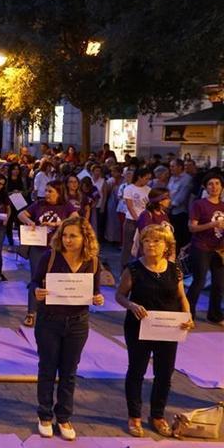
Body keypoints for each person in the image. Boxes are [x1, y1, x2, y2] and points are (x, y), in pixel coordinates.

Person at [115, 224, 194, 437]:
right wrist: (131, 305)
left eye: (156, 241)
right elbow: (120, 295)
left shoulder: (174, 269)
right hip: (138, 327)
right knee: (137, 371)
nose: (150, 244)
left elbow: (181, 297)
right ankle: (134, 416)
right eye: (147, 241)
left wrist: (188, 317)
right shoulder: (133, 268)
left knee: (164, 374)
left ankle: (157, 415)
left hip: (168, 329)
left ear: (166, 246)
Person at [31, 217, 105, 440]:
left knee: (69, 371)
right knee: (47, 368)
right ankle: (44, 414)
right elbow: (34, 282)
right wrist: (37, 291)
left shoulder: (92, 261)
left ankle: (63, 416)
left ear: (85, 238)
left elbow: (95, 290)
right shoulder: (50, 256)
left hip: (78, 322)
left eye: (73, 235)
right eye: (65, 235)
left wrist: (98, 298)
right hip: (49, 320)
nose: (68, 240)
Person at [18, 181, 79, 327]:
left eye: (50, 191)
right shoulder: (39, 204)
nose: (46, 194)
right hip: (39, 246)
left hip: (59, 249)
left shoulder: (66, 206)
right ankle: (31, 312)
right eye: (45, 190)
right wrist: (29, 222)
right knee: (35, 279)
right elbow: (21, 214)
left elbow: (77, 221)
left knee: (57, 278)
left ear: (59, 192)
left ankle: (55, 311)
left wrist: (57, 225)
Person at [186, 172, 224, 324]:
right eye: (210, 184)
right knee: (199, 281)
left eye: (217, 184)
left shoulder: (223, 206)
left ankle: (215, 315)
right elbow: (192, 228)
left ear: (222, 187)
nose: (214, 187)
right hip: (201, 247)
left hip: (220, 250)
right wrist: (212, 224)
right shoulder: (199, 204)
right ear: (206, 187)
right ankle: (188, 314)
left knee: (219, 283)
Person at [120, 168, 152, 270]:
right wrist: (138, 219)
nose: (147, 181)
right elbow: (130, 206)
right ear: (140, 177)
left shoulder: (148, 189)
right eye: (146, 178)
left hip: (145, 220)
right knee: (128, 245)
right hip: (131, 220)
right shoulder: (129, 189)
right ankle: (124, 267)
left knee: (141, 245)